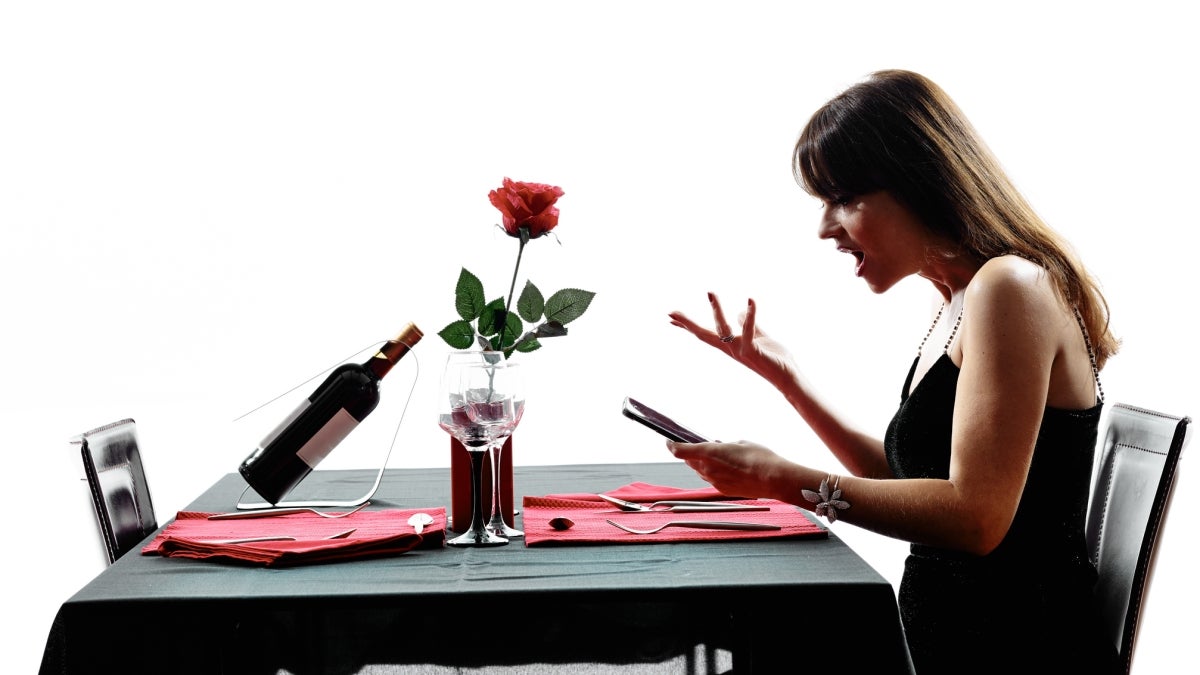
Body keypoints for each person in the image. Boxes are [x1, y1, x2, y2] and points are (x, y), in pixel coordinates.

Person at [667, 70, 1121, 674]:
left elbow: (975, 518)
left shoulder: (1009, 286)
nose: (825, 228)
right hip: (953, 643)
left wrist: (782, 480)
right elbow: (907, 479)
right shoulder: (961, 297)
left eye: (843, 199)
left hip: (1015, 653)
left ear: (921, 182)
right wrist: (790, 381)